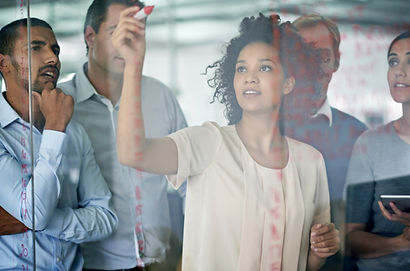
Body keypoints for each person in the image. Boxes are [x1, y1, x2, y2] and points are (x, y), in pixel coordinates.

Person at [115, 10, 339, 271]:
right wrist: (132, 66)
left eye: (264, 67)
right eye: (241, 68)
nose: (249, 76)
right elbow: (132, 153)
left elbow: (309, 262)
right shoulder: (209, 142)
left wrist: (322, 250)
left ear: (289, 83)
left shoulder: (310, 161)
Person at [58, 0, 187, 270]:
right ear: (90, 37)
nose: (126, 41)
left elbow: (188, 183)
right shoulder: (60, 104)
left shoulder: (160, 95)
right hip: (91, 265)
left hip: (161, 263)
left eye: (135, 32)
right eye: (117, 31)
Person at [0, 18, 118, 270]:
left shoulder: (71, 130)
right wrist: (55, 129)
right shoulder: (58, 128)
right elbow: (35, 214)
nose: (52, 59)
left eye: (55, 50)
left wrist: (28, 221)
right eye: (36, 48)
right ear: (3, 63)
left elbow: (106, 218)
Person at [287, 14, 368, 270]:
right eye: (304, 57)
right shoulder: (262, 130)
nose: (313, 68)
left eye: (322, 57)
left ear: (336, 62)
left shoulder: (359, 136)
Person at [345, 31, 410, 271]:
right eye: (393, 62)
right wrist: (399, 243)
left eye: (409, 61)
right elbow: (351, 239)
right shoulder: (369, 143)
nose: (399, 70)